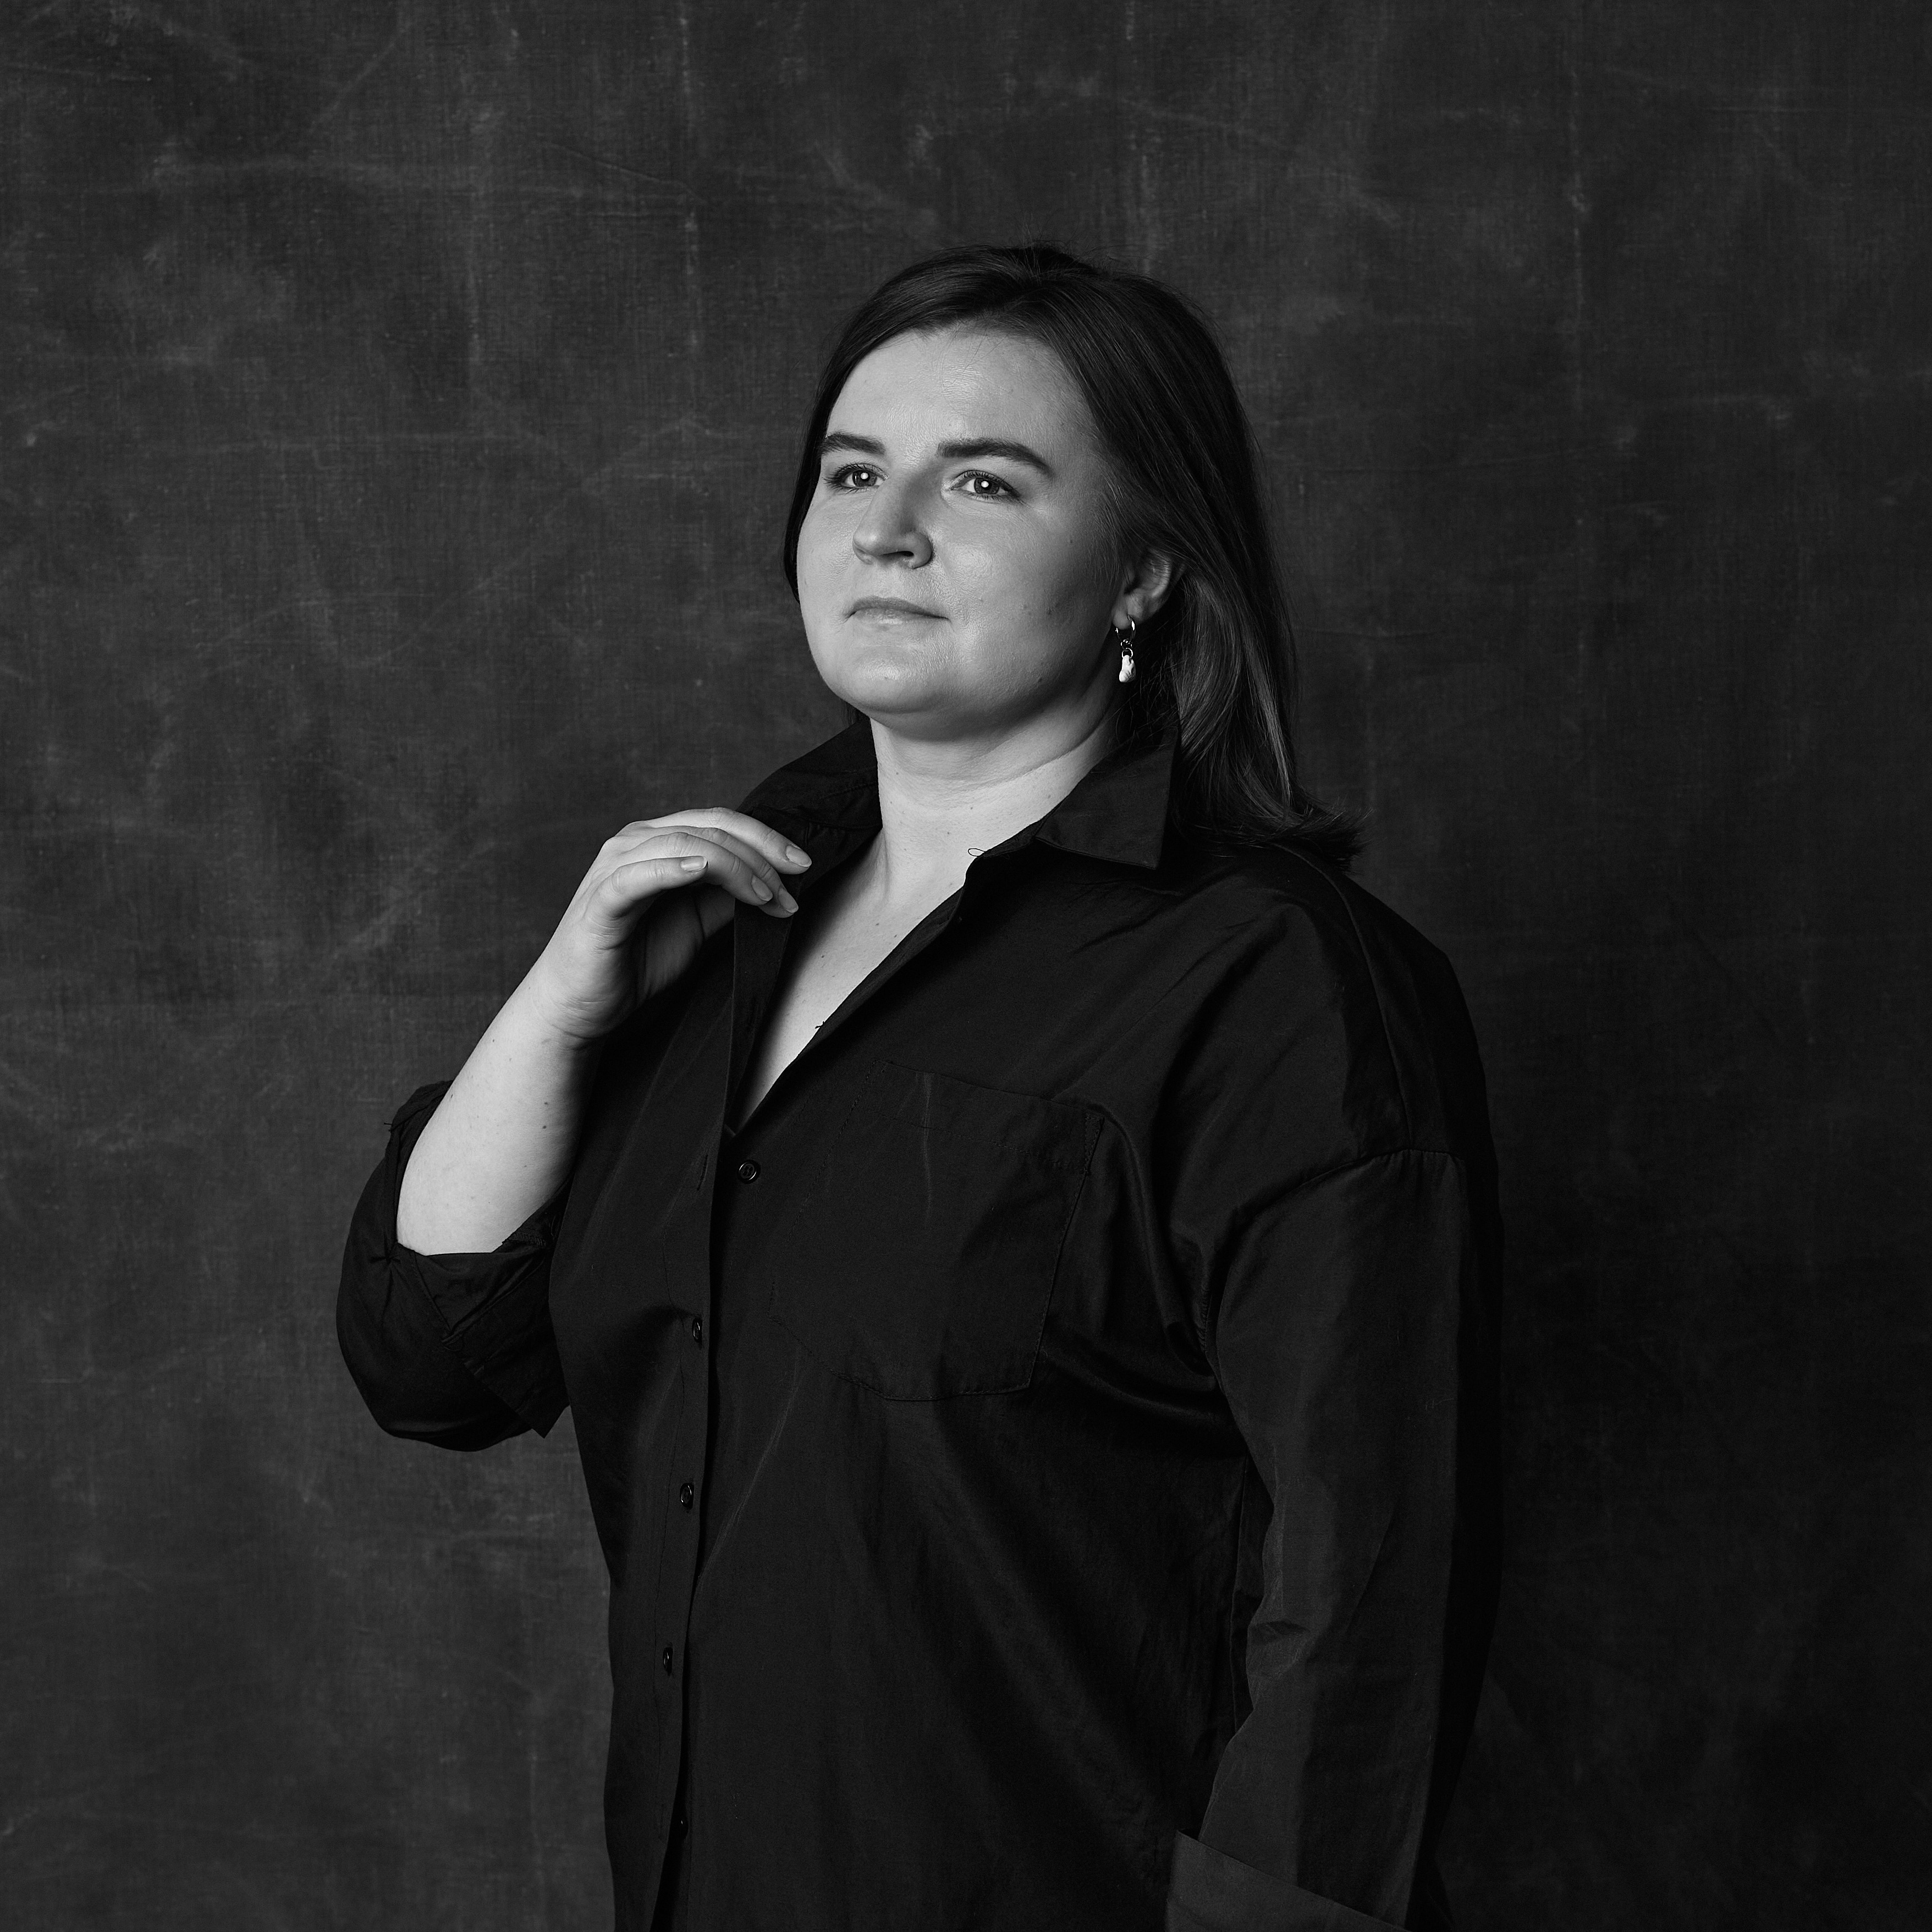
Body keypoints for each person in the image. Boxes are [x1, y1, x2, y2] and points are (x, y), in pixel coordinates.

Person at [338, 243, 1500, 1932]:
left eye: (981, 480)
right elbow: (429, 1363)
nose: (884, 529)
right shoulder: (706, 934)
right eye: (848, 471)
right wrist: (557, 1005)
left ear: (1142, 569)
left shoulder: (1277, 983)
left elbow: (1371, 1588)